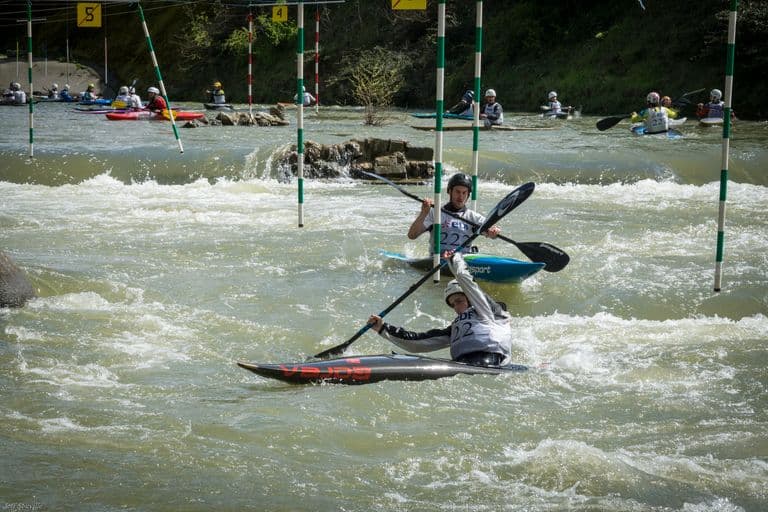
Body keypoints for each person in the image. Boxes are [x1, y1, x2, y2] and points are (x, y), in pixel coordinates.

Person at [367, 249, 512, 367]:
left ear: (470, 299)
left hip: (492, 360)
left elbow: (466, 280)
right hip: (462, 363)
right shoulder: (455, 328)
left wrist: (455, 259)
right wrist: (383, 328)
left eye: (459, 301)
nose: (456, 308)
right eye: (452, 304)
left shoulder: (492, 311)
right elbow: (418, 343)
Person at [407, 172, 500, 255]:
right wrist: (423, 213)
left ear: (468, 195)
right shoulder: (435, 213)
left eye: (464, 193)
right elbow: (412, 235)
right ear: (449, 191)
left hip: (462, 261)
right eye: (457, 192)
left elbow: (491, 232)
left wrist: (493, 231)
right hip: (437, 260)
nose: (461, 196)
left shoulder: (473, 217)